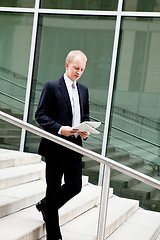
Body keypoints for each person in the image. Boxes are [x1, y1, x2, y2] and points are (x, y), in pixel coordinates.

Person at [35, 50, 90, 240]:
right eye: (76, 68)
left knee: (75, 185)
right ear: (66, 65)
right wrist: (60, 129)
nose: (79, 72)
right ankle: (54, 235)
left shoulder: (83, 90)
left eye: (82, 69)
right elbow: (40, 115)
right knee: (53, 188)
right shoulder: (51, 87)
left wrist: (86, 130)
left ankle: (46, 205)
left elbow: (85, 117)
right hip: (55, 144)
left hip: (75, 146)